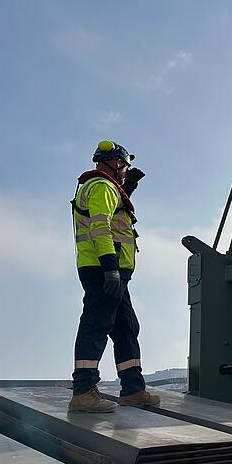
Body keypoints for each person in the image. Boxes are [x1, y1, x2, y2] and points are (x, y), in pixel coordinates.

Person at [68, 140, 161, 412]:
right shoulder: (102, 186)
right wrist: (109, 267)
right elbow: (101, 226)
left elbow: (115, 212)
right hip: (104, 269)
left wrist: (128, 187)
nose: (126, 171)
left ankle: (133, 389)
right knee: (96, 323)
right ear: (117, 162)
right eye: (125, 167)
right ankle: (83, 391)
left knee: (125, 326)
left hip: (114, 271)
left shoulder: (106, 188)